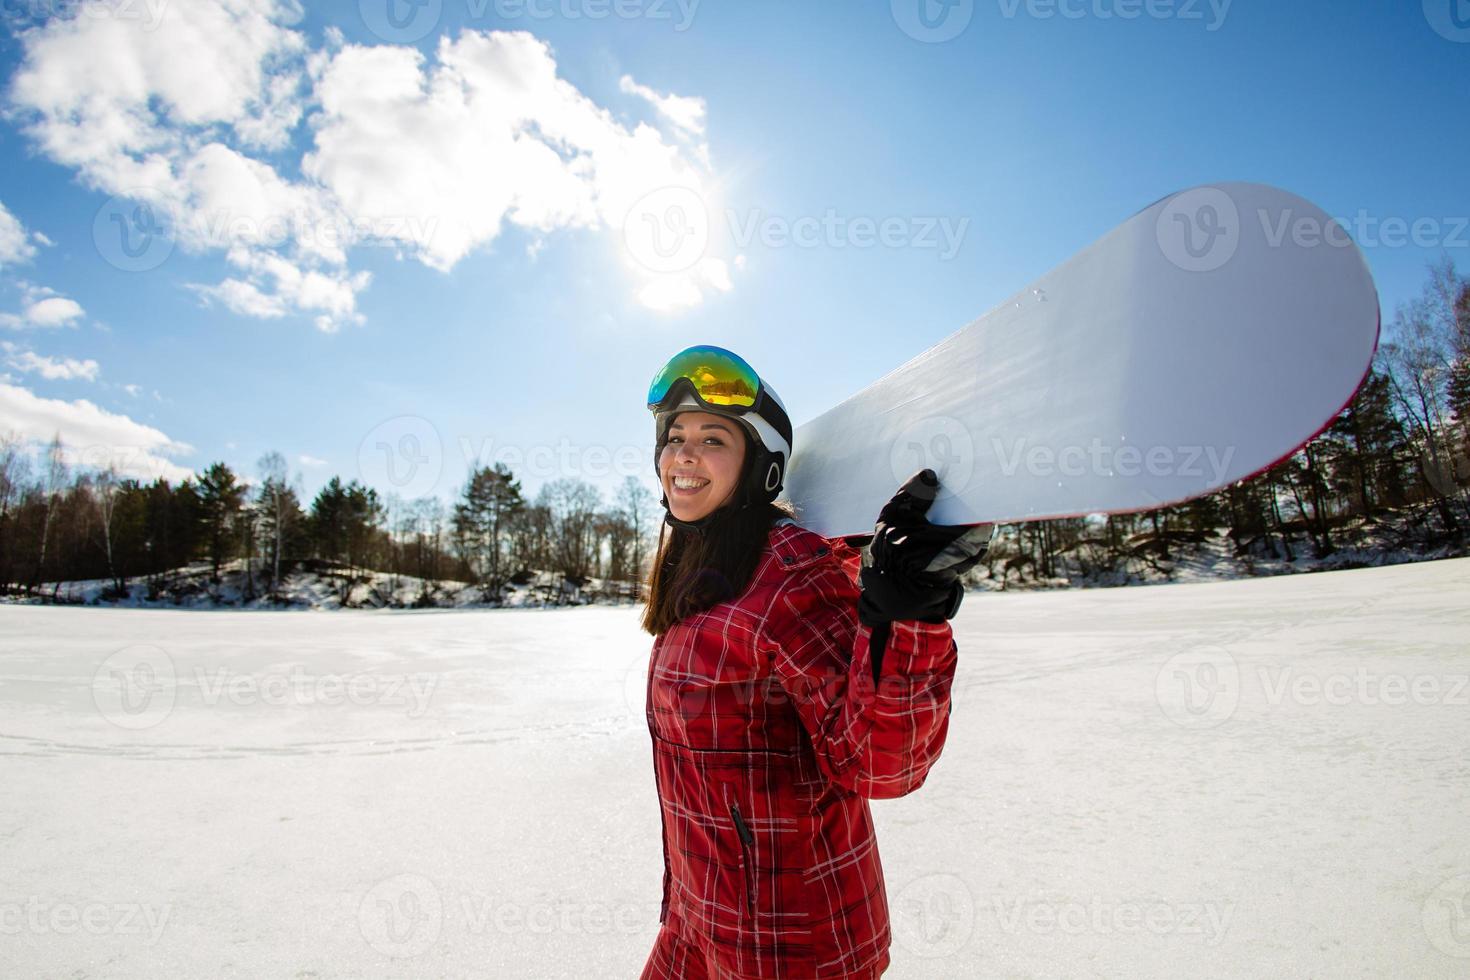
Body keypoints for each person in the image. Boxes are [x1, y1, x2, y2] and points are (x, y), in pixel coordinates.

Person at [637, 345, 992, 979]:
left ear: (760, 468)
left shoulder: (791, 573)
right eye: (675, 437)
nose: (683, 455)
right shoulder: (698, 565)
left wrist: (906, 612)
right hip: (697, 918)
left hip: (788, 941)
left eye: (712, 439)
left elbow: (881, 764)